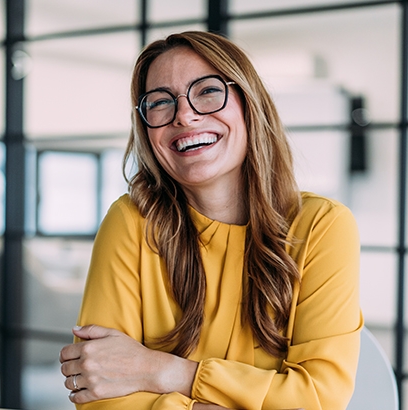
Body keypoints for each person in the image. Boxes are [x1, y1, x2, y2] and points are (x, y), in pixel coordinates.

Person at [59, 31, 363, 410]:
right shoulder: (131, 221)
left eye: (206, 91)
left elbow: (320, 398)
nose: (184, 115)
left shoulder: (322, 227)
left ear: (250, 105)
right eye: (160, 102)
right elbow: (101, 393)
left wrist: (165, 372)